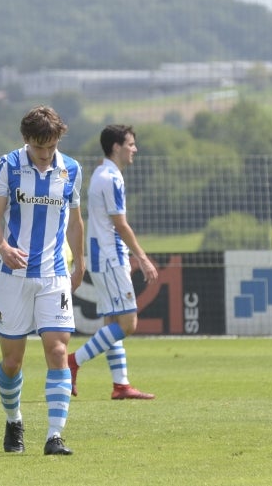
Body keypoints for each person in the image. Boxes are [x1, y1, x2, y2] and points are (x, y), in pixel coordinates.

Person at [0, 106, 85, 456]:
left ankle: (54, 436)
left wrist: (80, 260)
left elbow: (74, 221)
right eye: (39, 148)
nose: (45, 155)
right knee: (12, 362)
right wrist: (3, 246)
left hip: (54, 274)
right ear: (26, 140)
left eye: (51, 147)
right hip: (14, 276)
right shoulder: (8, 166)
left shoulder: (70, 169)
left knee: (58, 351)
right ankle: (14, 421)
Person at [69, 125, 159, 400]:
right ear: (116, 147)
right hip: (110, 258)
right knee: (128, 323)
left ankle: (121, 385)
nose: (135, 149)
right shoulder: (110, 178)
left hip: (102, 257)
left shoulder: (102, 173)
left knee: (113, 322)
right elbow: (120, 224)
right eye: (131, 144)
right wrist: (142, 258)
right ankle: (73, 361)